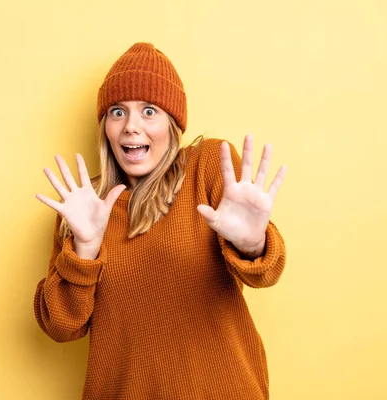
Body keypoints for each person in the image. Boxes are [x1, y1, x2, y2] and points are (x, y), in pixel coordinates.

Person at [34, 42, 287, 400]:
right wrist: (84, 250)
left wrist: (252, 244)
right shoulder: (84, 207)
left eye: (149, 111)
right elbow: (61, 326)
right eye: (117, 112)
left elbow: (266, 272)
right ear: (104, 125)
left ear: (172, 123)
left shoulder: (208, 165)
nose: (131, 127)